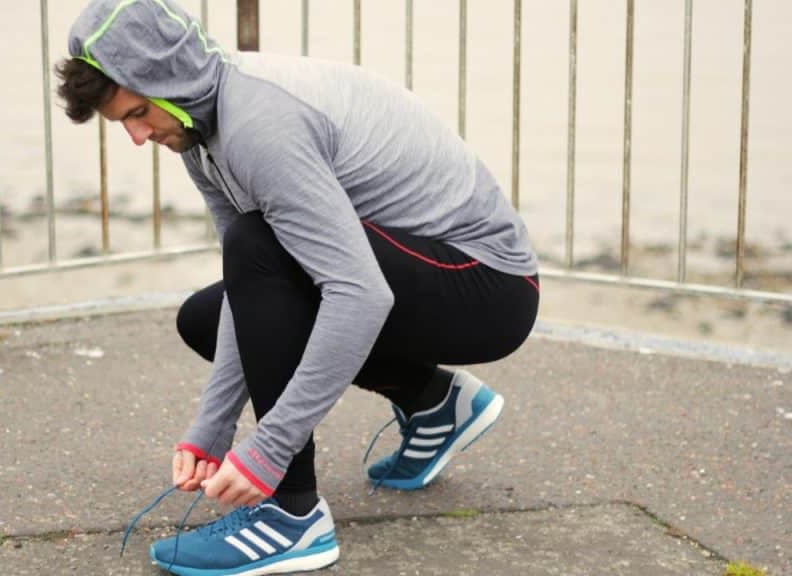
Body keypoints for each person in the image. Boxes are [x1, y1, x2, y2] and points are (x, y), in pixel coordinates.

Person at [58, 1, 539, 574]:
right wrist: (213, 425)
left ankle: (292, 516)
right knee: (207, 314)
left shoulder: (259, 127)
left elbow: (359, 293)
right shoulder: (198, 128)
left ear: (170, 80)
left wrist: (268, 452)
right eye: (123, 123)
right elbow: (250, 283)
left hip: (487, 285)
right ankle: (433, 402)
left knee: (259, 245)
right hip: (417, 272)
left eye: (139, 113)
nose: (138, 136)